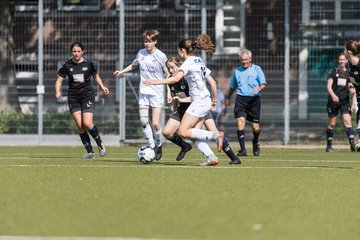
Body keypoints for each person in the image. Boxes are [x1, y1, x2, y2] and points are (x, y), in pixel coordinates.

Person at [145, 34, 225, 166]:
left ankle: (215, 136)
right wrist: (214, 100)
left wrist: (155, 81)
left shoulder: (188, 63)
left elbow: (175, 79)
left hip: (198, 102)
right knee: (192, 134)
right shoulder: (199, 60)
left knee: (182, 131)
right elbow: (213, 83)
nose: (179, 53)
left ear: (182, 50)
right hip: (204, 100)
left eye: (178, 51)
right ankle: (211, 157)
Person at [163, 56, 241, 164]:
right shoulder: (171, 81)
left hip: (198, 108)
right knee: (167, 132)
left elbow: (195, 97)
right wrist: (174, 105)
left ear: (180, 66)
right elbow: (176, 98)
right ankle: (189, 148)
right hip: (185, 110)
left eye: (172, 67)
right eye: (168, 68)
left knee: (199, 134)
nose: (170, 71)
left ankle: (232, 157)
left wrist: (182, 99)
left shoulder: (187, 78)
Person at [113, 30, 168, 160]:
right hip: (144, 92)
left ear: (155, 41)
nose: (147, 44)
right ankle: (152, 146)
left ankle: (159, 145)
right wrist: (121, 72)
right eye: (145, 41)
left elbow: (168, 74)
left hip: (157, 93)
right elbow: (134, 65)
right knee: (144, 121)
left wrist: (169, 92)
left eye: (149, 41)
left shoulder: (161, 56)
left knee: (155, 123)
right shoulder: (141, 53)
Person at [55, 41, 109, 159]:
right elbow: (59, 80)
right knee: (80, 125)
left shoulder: (88, 63)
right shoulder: (67, 65)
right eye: (74, 51)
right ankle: (90, 152)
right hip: (73, 97)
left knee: (87, 123)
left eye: (78, 51)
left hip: (87, 95)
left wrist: (102, 86)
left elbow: (95, 76)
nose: (76, 53)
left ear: (82, 52)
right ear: (71, 52)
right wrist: (58, 91)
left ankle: (100, 144)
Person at [224, 49, 267, 157]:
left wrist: (259, 88)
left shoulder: (257, 69)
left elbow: (263, 83)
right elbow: (233, 87)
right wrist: (228, 97)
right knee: (240, 122)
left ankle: (255, 142)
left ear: (250, 59)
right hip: (241, 99)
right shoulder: (237, 71)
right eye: (242, 60)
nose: (244, 62)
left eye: (246, 60)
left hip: (254, 100)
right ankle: (243, 150)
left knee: (255, 127)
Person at [325, 53, 356, 152]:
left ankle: (352, 145)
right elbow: (329, 86)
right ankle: (329, 145)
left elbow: (350, 85)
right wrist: (333, 95)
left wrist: (351, 90)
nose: (342, 61)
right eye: (340, 59)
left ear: (346, 61)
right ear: (338, 61)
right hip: (333, 102)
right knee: (332, 123)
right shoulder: (333, 72)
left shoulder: (349, 74)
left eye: (344, 59)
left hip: (344, 102)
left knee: (347, 121)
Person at [344, 40, 360, 150]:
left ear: (349, 52)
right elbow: (356, 87)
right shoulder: (351, 67)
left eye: (345, 50)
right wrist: (354, 102)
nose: (343, 51)